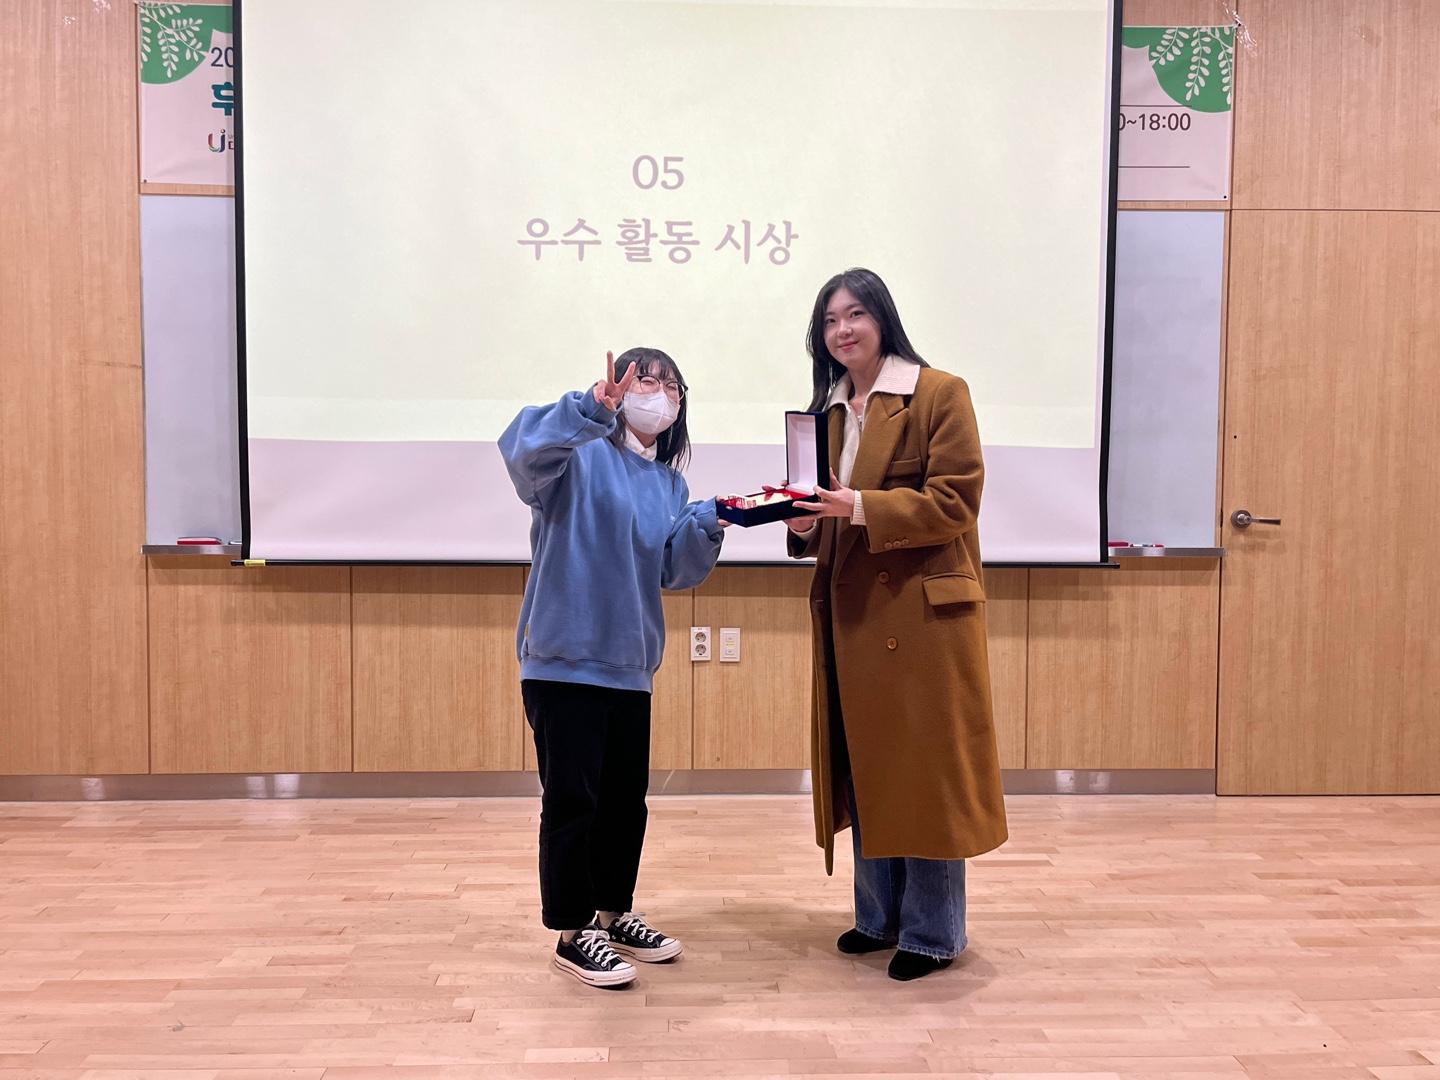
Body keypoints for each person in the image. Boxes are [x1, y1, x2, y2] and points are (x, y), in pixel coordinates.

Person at [786, 268, 1008, 981]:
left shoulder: (938, 392)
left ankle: (934, 933)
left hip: (921, 617)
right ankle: (877, 917)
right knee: (868, 764)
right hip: (854, 614)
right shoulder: (827, 414)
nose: (842, 330)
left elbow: (955, 502)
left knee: (924, 772)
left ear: (883, 318)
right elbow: (827, 515)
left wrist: (856, 506)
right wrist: (800, 523)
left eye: (854, 314)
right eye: (829, 321)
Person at [499, 348, 726, 989]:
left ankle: (612, 914)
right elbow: (520, 450)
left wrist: (711, 520)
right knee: (573, 803)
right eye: (646, 378)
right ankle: (573, 933)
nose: (659, 392)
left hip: (631, 665)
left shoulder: (668, 485)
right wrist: (588, 409)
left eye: (672, 385)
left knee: (625, 805)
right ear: (619, 388)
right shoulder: (575, 454)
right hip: (563, 662)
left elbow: (673, 569)